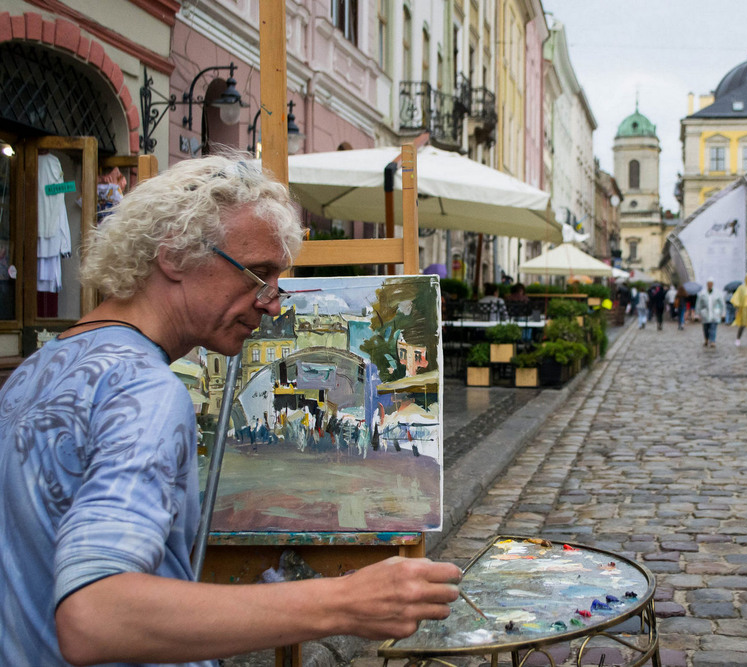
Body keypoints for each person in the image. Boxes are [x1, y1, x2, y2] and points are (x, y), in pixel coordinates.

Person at [0, 155, 462, 666]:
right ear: (173, 254)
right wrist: (342, 602)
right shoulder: (145, 391)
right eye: (257, 273)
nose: (271, 302)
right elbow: (96, 616)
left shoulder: (37, 369)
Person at [695, 279, 726, 347]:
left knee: (713, 328)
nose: (710, 285)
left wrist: (722, 313)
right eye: (709, 283)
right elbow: (698, 304)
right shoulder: (702, 293)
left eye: (711, 283)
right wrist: (697, 314)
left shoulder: (717, 293)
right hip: (705, 314)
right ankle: (706, 339)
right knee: (706, 328)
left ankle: (712, 341)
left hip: (714, 314)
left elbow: (722, 304)